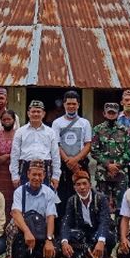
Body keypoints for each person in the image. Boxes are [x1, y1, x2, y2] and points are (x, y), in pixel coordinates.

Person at [6, 160, 61, 258]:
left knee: (54, 251)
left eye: (40, 175)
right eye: (34, 174)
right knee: (12, 225)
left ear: (44, 176)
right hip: (24, 226)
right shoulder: (19, 191)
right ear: (28, 174)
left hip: (41, 227)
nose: (36, 178)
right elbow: (16, 213)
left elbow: (50, 217)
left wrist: (49, 240)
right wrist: (27, 232)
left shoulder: (49, 193)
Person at [51, 90, 93, 222]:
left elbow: (88, 145)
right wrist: (67, 160)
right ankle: (63, 226)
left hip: (80, 163)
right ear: (64, 104)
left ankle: (82, 224)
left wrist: (75, 160)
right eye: (68, 104)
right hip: (63, 164)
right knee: (63, 195)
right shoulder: (57, 123)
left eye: (74, 104)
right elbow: (56, 144)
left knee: (82, 192)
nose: (71, 107)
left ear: (78, 105)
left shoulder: (85, 123)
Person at [60, 170, 115, 258]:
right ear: (74, 187)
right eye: (78, 184)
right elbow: (66, 222)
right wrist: (64, 241)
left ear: (90, 184)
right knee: (69, 237)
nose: (82, 187)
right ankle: (89, 255)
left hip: (98, 232)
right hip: (83, 234)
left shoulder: (100, 198)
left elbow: (104, 221)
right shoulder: (72, 200)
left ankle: (92, 255)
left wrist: (101, 241)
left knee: (109, 236)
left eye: (84, 183)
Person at [90, 102, 130, 216]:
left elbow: (129, 152)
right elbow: (94, 151)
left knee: (121, 207)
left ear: (118, 114)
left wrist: (117, 166)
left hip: (120, 175)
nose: (111, 115)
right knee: (101, 206)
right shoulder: (98, 129)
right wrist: (108, 165)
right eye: (109, 112)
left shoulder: (124, 130)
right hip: (103, 174)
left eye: (113, 113)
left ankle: (120, 232)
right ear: (104, 113)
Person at [10, 100, 61, 190]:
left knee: (45, 199)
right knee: (25, 199)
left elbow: (55, 156)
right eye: (33, 111)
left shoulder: (50, 132)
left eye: (38, 112)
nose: (36, 114)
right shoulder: (20, 132)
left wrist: (56, 176)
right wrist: (15, 176)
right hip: (25, 167)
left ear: (43, 114)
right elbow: (14, 155)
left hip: (45, 167)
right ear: (28, 113)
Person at [0, 110, 18, 222]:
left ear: (14, 120)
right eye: (4, 119)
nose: (6, 121)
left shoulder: (18, 134)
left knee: (12, 198)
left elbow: (21, 151)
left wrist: (8, 156)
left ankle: (10, 224)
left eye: (9, 119)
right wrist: (0, 158)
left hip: (13, 172)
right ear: (1, 121)